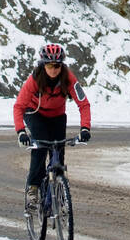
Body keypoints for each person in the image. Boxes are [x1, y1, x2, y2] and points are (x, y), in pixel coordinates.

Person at [13, 43, 91, 210]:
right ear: (43, 65)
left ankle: (59, 192)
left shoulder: (68, 78)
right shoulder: (34, 79)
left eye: (57, 66)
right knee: (40, 147)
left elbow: (83, 104)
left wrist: (85, 128)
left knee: (58, 152)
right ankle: (33, 189)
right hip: (34, 113)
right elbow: (18, 107)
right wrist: (21, 132)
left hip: (57, 116)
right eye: (49, 65)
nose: (54, 69)